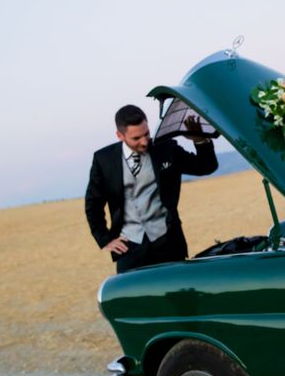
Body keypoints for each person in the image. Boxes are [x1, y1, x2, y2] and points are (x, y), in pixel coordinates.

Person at [85, 104, 218, 273]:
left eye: (146, 134)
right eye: (136, 138)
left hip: (168, 243)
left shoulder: (166, 148)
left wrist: (199, 139)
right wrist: (104, 239)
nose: (144, 141)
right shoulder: (103, 160)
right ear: (120, 135)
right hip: (129, 249)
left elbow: (206, 166)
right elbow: (93, 204)